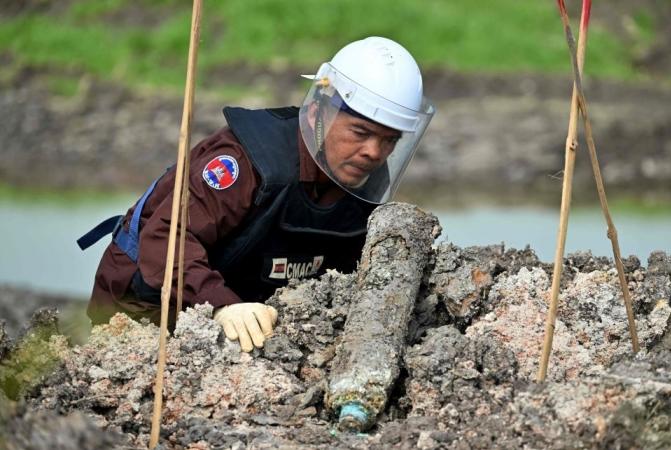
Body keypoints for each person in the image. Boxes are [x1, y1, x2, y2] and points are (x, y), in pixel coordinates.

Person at [78, 36, 435, 352]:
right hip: (145, 307)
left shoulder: (362, 178)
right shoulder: (244, 164)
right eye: (360, 132)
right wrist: (220, 305)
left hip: (251, 310)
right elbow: (165, 238)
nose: (374, 152)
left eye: (390, 140)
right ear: (317, 109)